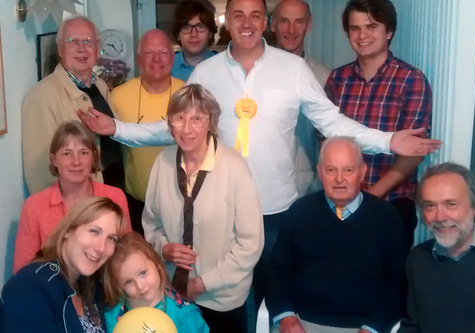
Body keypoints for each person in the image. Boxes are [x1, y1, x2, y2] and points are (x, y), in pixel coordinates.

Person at [76, 0, 440, 326]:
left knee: (273, 295)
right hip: (217, 208)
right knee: (214, 297)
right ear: (228, 22)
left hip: (276, 209)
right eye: (238, 15)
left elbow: (332, 122)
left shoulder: (293, 69)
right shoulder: (207, 72)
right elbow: (173, 126)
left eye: (254, 15)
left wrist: (389, 140)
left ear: (264, 21)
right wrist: (117, 129)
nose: (246, 22)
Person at [138, 84, 263, 333]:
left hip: (222, 300)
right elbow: (151, 224)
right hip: (172, 294)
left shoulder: (235, 167)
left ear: (211, 122)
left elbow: (250, 244)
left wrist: (204, 283)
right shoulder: (162, 162)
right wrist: (164, 248)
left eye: (197, 118)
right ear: (170, 123)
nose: (186, 128)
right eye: (179, 118)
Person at [267, 137, 407, 333]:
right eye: (331, 170)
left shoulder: (387, 218)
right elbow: (277, 271)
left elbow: (398, 282)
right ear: (320, 172)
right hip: (301, 322)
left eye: (348, 170)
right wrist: (286, 316)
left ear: (362, 172)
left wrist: (374, 327)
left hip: (363, 326)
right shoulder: (299, 211)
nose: (339, 179)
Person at [325, 0, 433, 250]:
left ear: (389, 31)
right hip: (339, 200)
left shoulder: (411, 80)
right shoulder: (337, 79)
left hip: (391, 203)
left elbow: (414, 152)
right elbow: (326, 137)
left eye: (371, 26)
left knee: (386, 283)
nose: (362, 35)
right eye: (355, 28)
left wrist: (370, 196)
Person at [22, 15, 124, 195]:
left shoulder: (99, 84)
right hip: (80, 209)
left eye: (87, 41)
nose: (81, 48)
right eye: (73, 41)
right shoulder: (41, 97)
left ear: (97, 48)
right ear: (61, 48)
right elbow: (40, 173)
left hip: (112, 191)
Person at [13, 121, 132, 273]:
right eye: (67, 154)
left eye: (83, 153)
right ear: (54, 159)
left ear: (93, 157)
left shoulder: (114, 197)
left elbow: (126, 255)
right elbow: (22, 271)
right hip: (53, 291)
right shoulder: (34, 206)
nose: (76, 162)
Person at [1, 196, 128, 333]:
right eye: (94, 232)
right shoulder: (30, 287)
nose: (101, 248)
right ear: (68, 230)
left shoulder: (91, 286)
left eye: (111, 239)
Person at [398, 162, 475, 333]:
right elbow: (412, 326)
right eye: (430, 205)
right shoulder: (418, 258)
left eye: (450, 204)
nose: (440, 216)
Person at [111, 29, 184, 235]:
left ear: (172, 57)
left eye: (162, 52)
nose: (157, 59)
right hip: (136, 200)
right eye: (149, 53)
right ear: (138, 58)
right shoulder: (117, 96)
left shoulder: (188, 94)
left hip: (181, 200)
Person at [272, 0, 332, 196]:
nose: (291, 29)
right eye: (284, 21)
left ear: (310, 24)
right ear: (272, 24)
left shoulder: (324, 78)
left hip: (308, 192)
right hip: (262, 190)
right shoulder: (255, 74)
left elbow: (330, 139)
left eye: (299, 21)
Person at [103, 232, 209, 333]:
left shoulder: (184, 314)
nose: (140, 286)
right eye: (128, 282)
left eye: (143, 273)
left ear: (156, 265)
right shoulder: (112, 316)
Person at [171, 0, 218, 81]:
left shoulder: (223, 63)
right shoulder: (166, 65)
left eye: (200, 27)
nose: (193, 34)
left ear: (210, 33)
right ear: (178, 35)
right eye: (186, 27)